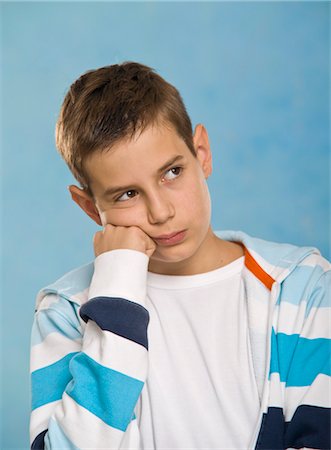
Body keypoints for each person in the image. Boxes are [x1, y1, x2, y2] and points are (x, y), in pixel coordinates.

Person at [30, 61, 330, 450]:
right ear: (89, 207)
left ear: (201, 152)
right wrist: (117, 294)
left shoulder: (302, 288)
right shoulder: (68, 311)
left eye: (171, 172)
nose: (160, 212)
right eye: (127, 194)